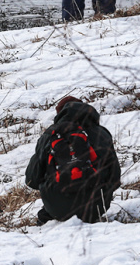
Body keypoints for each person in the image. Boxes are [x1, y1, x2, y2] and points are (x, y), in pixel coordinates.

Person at [25, 96, 121, 225]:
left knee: (48, 212)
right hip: (95, 207)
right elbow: (114, 177)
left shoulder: (50, 136)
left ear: (60, 113)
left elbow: (32, 180)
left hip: (56, 208)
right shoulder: (101, 134)